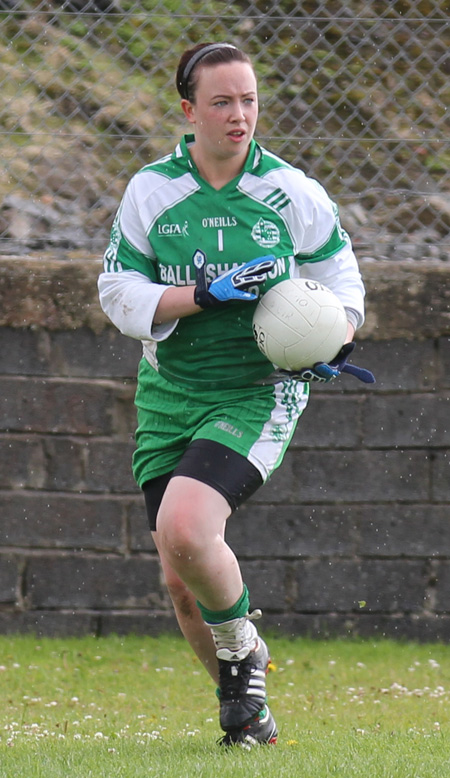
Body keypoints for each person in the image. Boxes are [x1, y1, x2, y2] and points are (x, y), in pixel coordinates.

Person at [98, 42, 374, 747]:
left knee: (186, 530)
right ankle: (246, 710)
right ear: (188, 111)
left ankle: (246, 656)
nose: (239, 114)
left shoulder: (293, 193)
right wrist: (201, 294)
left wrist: (333, 338)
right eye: (221, 101)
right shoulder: (151, 191)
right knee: (181, 582)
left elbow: (342, 283)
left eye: (248, 99)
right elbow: (117, 290)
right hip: (169, 392)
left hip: (254, 394)